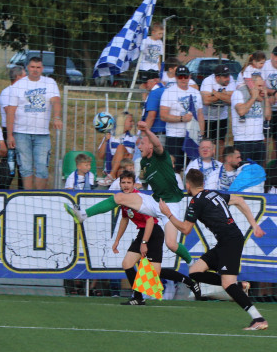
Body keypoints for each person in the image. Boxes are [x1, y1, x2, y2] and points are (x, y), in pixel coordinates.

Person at [65, 120, 198, 269]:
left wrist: (147, 130)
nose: (138, 146)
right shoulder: (143, 164)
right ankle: (83, 214)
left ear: (150, 146)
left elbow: (158, 144)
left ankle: (191, 263)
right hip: (155, 201)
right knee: (119, 197)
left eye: (142, 143)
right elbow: (145, 185)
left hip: (170, 204)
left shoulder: (161, 157)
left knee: (171, 244)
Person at [158, 168, 268, 329]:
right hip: (226, 241)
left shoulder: (196, 201)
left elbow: (185, 229)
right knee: (195, 272)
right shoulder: (213, 193)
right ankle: (240, 287)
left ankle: (258, 319)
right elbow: (240, 200)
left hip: (229, 241)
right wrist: (254, 225)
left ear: (188, 185)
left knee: (227, 284)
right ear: (202, 183)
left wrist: (168, 214)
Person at [111, 170, 168, 305]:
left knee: (154, 274)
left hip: (153, 233)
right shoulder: (124, 199)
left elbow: (149, 221)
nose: (126, 185)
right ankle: (138, 297)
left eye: (129, 183)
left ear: (134, 184)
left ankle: (188, 281)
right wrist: (117, 240)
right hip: (143, 232)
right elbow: (124, 219)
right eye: (123, 182)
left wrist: (144, 242)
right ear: (119, 184)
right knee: (127, 264)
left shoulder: (139, 199)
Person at [6, 56, 63, 190]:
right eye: (32, 67)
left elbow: (56, 101)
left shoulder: (50, 83)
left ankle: (39, 197)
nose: (35, 70)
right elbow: (11, 111)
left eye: (38, 67)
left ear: (42, 68)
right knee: (25, 168)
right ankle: (28, 196)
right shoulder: (18, 85)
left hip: (42, 134)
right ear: (27, 68)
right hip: (21, 133)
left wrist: (56, 117)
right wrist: (10, 135)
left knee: (42, 167)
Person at [159, 65, 204, 169]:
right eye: (180, 77)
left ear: (189, 77)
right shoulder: (168, 92)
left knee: (193, 167)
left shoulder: (196, 93)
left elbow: (200, 115)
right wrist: (181, 118)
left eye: (185, 76)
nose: (183, 79)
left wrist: (201, 135)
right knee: (174, 168)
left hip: (193, 136)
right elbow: (163, 115)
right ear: (176, 77)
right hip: (175, 136)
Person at [231, 72, 270, 165]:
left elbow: (268, 116)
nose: (261, 88)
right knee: (244, 171)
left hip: (259, 140)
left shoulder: (261, 98)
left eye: (263, 85)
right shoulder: (238, 94)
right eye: (259, 86)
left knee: (258, 172)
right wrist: (253, 97)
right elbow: (241, 111)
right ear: (251, 85)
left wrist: (266, 97)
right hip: (243, 141)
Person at [0, 65, 25, 190]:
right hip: (10, 132)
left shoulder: (24, 93)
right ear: (18, 77)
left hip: (23, 131)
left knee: (24, 165)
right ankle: (2, 191)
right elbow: (10, 112)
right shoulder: (6, 92)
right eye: (25, 76)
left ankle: (23, 191)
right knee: (9, 164)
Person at [200, 65, 236, 150]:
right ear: (217, 77)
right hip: (207, 117)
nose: (228, 78)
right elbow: (206, 101)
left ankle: (219, 162)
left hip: (222, 116)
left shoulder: (230, 80)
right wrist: (224, 94)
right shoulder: (207, 81)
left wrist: (215, 93)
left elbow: (232, 100)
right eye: (225, 77)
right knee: (207, 143)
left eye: (228, 75)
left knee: (220, 142)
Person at [97, 112, 137, 183]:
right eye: (130, 121)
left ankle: (112, 176)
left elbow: (134, 156)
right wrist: (106, 140)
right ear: (122, 122)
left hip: (126, 167)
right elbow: (100, 156)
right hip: (112, 166)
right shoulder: (111, 135)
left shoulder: (133, 137)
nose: (132, 123)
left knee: (121, 148)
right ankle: (112, 176)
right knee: (120, 148)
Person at [138, 69, 167, 137]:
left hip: (155, 132)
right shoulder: (164, 89)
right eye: (143, 83)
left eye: (146, 82)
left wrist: (143, 135)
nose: (144, 85)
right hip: (164, 131)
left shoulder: (154, 92)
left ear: (155, 80)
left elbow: (151, 116)